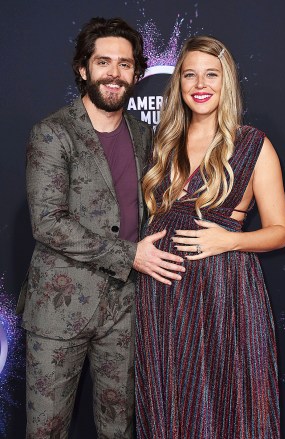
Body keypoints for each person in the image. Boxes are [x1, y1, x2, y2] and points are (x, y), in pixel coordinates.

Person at [16, 17, 184, 439]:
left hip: (125, 310)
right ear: (83, 69)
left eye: (125, 65)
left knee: (118, 428)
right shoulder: (53, 134)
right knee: (46, 429)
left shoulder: (145, 135)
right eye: (104, 62)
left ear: (136, 73)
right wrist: (131, 255)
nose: (115, 73)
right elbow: (48, 223)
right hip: (59, 311)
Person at [135, 35, 285, 438]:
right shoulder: (162, 145)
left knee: (224, 401)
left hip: (223, 293)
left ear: (227, 82)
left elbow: (280, 231)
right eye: (190, 75)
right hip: (161, 295)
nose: (200, 85)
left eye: (211, 75)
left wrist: (230, 240)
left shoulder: (252, 144)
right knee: (171, 400)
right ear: (179, 83)